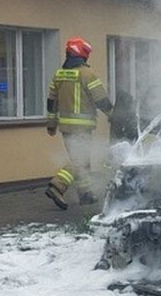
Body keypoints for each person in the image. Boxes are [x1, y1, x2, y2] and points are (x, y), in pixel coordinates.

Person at [45, 36, 113, 209]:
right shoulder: (87, 74)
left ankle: (86, 195)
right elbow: (101, 99)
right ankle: (58, 185)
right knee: (79, 160)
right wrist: (112, 114)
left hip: (65, 128)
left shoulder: (58, 75)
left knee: (82, 160)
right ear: (83, 55)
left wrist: (51, 124)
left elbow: (51, 102)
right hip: (82, 127)